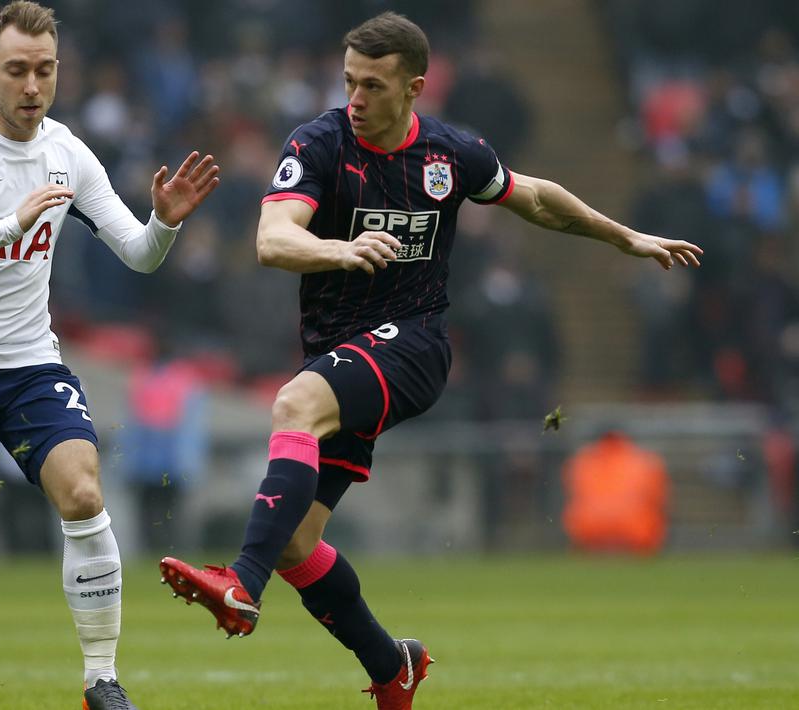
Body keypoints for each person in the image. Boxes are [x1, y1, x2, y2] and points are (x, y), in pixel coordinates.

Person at [158, 11, 701, 710]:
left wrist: (622, 236)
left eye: (373, 87)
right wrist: (338, 250)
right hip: (340, 355)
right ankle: (392, 667)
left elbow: (533, 196)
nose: (354, 99)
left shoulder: (450, 154)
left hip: (411, 345)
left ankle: (240, 582)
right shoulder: (318, 144)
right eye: (349, 82)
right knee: (296, 542)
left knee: (293, 404)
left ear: (413, 88)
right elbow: (271, 238)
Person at [0, 3, 220, 709]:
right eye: (16, 71)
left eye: (44, 70)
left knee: (84, 492)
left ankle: (101, 678)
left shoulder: (67, 151)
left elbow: (138, 254)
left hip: (29, 366)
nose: (32, 85)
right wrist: (10, 225)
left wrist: (163, 222)